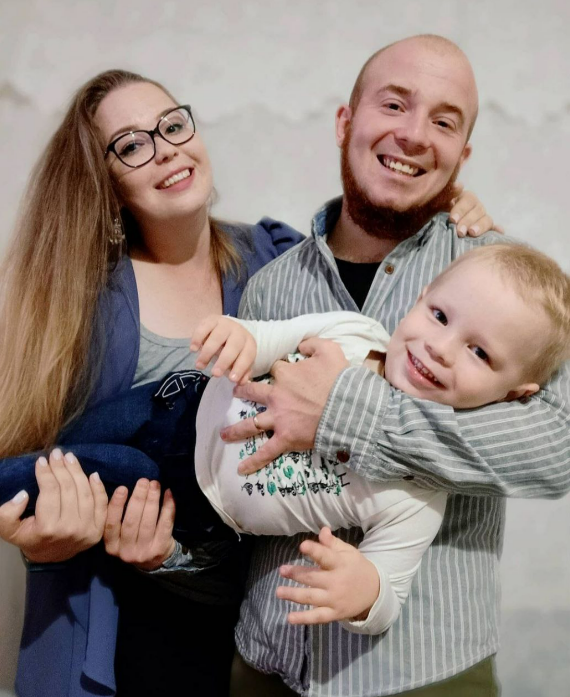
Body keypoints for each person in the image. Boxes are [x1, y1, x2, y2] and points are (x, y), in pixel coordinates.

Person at [0, 66, 492, 697]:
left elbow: (373, 279)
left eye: (173, 125)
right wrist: (44, 540)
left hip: (238, 623)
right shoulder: (80, 298)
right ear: (106, 182)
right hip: (118, 623)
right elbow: (42, 461)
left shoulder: (274, 260)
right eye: (132, 144)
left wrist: (446, 207)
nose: (166, 149)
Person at [217, 34, 570, 696]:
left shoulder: (507, 285)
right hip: (265, 662)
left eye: (444, 121)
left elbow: (558, 447)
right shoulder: (271, 286)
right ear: (345, 122)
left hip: (424, 671)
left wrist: (344, 411)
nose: (413, 134)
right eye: (394, 105)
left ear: (461, 156)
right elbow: (233, 453)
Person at [3, 243, 568, 642]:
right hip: (178, 402)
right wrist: (239, 336)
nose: (441, 348)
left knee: (90, 471)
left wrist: (363, 591)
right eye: (439, 315)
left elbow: (387, 592)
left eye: (479, 352)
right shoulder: (356, 333)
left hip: (193, 502)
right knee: (67, 441)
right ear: (420, 299)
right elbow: (270, 337)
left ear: (514, 395)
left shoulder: (418, 495)